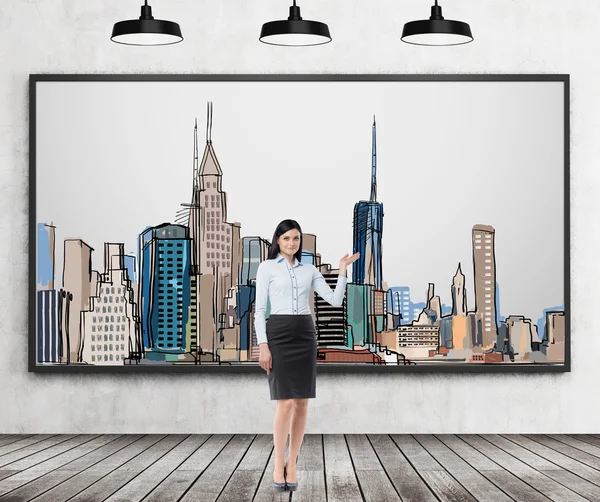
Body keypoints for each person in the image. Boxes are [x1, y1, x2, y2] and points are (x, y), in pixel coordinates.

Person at [254, 219, 360, 492]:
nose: (292, 243)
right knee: (285, 402)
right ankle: (278, 464)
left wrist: (343, 270)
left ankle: (293, 462)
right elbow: (258, 312)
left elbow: (334, 301)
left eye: (296, 239)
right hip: (277, 333)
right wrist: (263, 345)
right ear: (277, 240)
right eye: (287, 238)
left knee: (301, 402)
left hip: (304, 332)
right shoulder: (266, 268)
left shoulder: (309, 270)